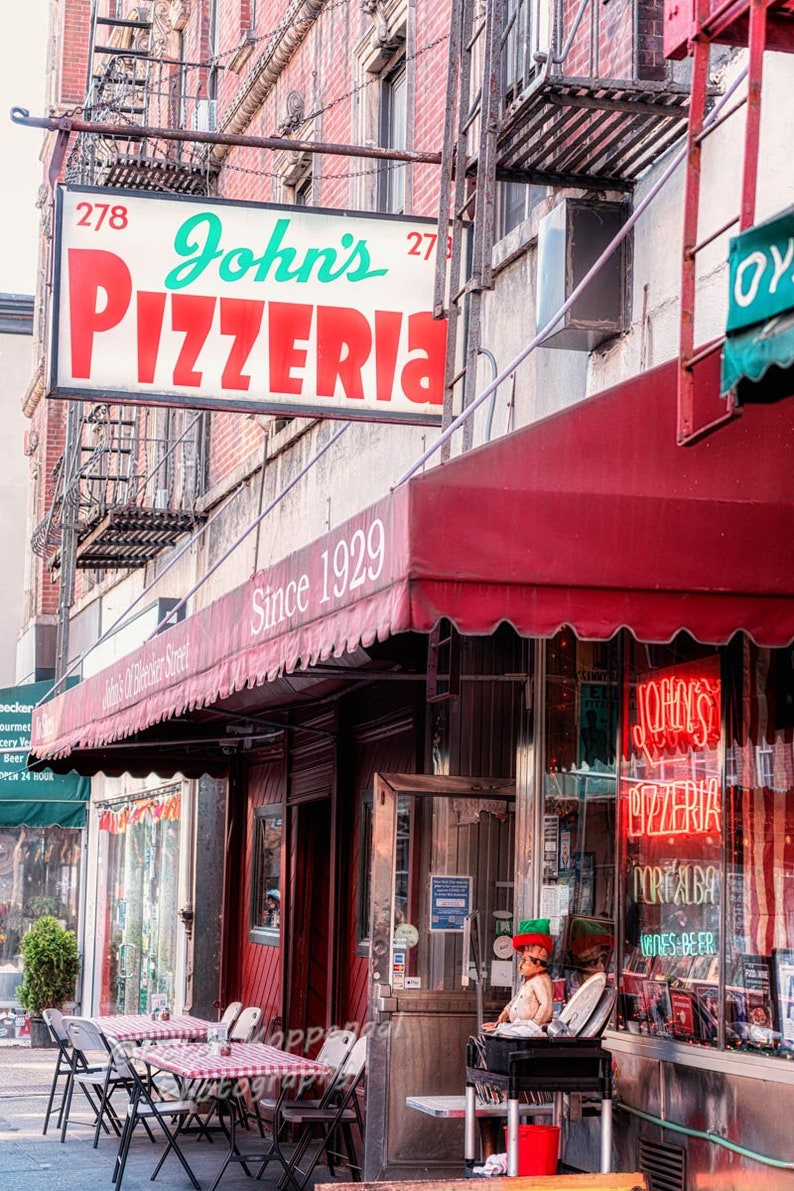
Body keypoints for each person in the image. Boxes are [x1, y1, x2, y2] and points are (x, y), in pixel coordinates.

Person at [483, 918, 555, 1029]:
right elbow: (518, 997)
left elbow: (546, 1006)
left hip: (529, 1032)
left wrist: (533, 1026)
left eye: (525, 960)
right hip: (518, 1028)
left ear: (537, 963)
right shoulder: (528, 980)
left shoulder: (541, 980)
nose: (520, 965)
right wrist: (506, 1012)